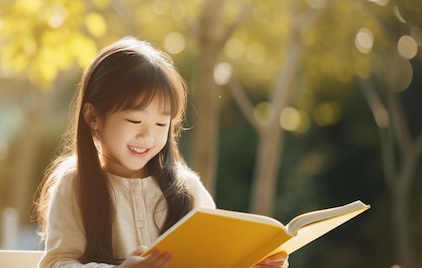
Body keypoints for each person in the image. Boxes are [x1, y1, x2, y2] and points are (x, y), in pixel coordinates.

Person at [34, 36, 289, 268]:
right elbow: (57, 263)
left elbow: (213, 260)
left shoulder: (187, 189)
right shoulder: (75, 186)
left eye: (160, 124)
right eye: (135, 121)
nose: (148, 136)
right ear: (93, 117)